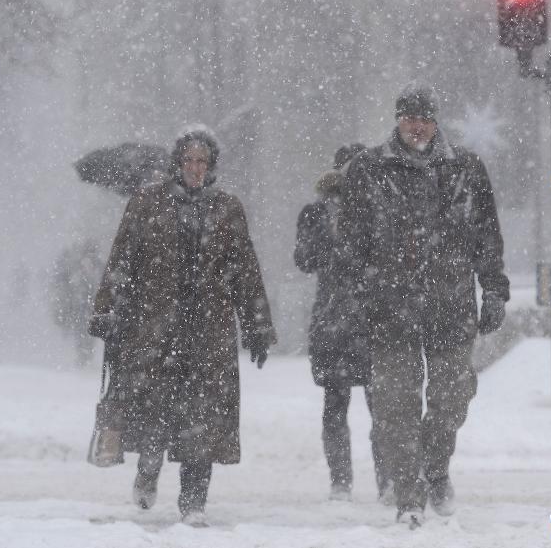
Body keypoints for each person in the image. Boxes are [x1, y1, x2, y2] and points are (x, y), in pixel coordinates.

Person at [88, 128, 276, 527]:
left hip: (209, 331)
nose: (195, 168)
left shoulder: (227, 208)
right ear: (177, 163)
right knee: (154, 412)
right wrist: (108, 309)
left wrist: (258, 326)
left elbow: (245, 269)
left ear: (211, 167)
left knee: (203, 420)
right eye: (189, 160)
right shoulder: (147, 203)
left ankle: (194, 502)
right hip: (155, 326)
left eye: (202, 161)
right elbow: (122, 259)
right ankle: (148, 470)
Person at [340, 86, 510, 528]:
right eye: (409, 117)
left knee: (451, 400)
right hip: (390, 307)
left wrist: (493, 289)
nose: (417, 126)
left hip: (450, 305)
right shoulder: (369, 169)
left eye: (425, 117)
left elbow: (487, 236)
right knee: (395, 408)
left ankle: (435, 469)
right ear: (397, 120)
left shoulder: (465, 169)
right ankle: (408, 495)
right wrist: (358, 298)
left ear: (437, 121)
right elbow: (353, 245)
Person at [294, 144, 390, 502]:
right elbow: (304, 259)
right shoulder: (315, 214)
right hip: (334, 319)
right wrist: (329, 236)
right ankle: (341, 482)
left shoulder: (378, 212)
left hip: (371, 319)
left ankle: (387, 479)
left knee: (380, 406)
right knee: (336, 404)